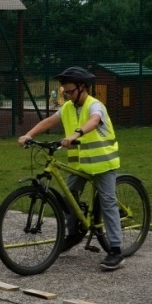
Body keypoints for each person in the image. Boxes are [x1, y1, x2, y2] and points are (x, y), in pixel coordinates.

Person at [17, 66, 124, 270]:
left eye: (70, 91)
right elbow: (49, 121)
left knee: (108, 202)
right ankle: (74, 233)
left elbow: (94, 121)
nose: (67, 95)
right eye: (65, 92)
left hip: (103, 164)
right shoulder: (68, 107)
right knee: (69, 198)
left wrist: (75, 134)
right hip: (81, 165)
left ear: (82, 88)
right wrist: (29, 135)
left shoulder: (95, 105)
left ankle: (116, 251)